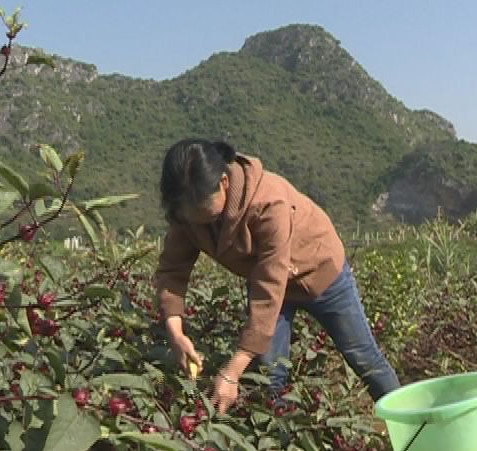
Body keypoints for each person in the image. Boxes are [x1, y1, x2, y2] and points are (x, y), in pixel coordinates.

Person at [153, 138, 400, 416]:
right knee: (270, 375)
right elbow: (173, 271)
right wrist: (175, 332)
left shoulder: (268, 201)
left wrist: (232, 372)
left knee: (364, 358)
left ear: (223, 183)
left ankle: (415, 426)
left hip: (321, 274)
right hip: (267, 281)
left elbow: (270, 288)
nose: (196, 223)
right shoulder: (187, 213)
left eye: (203, 214)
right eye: (188, 217)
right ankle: (280, 445)